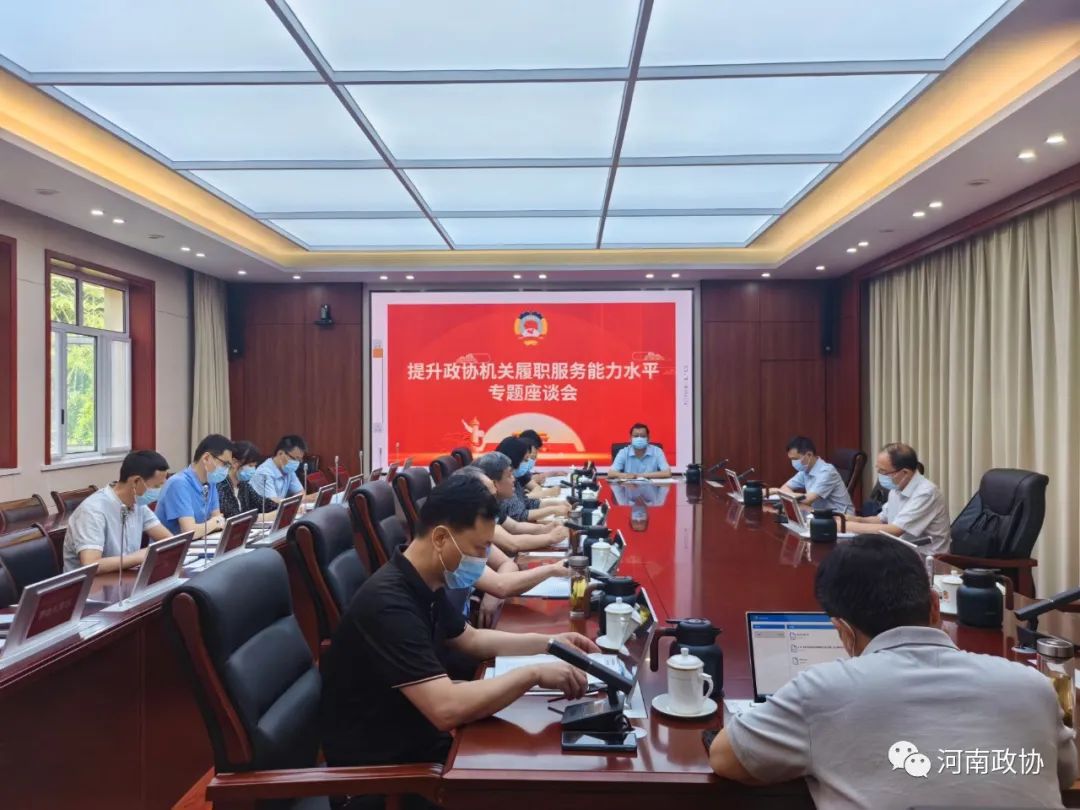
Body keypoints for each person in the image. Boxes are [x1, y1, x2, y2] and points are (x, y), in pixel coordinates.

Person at [709, 534, 1075, 810]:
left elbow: (726, 758)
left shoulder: (823, 690)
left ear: (842, 631)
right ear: (935, 607)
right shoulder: (1033, 686)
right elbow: (1066, 775)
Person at [319, 475, 598, 777]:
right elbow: (445, 709)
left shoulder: (424, 579)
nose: (483, 559)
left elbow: (471, 639)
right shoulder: (388, 603)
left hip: (417, 737)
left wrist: (551, 644)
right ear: (440, 538)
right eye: (479, 548)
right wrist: (533, 674)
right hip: (387, 774)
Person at [450, 465, 570, 628]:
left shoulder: (477, 525)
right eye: (489, 496)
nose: (495, 502)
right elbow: (511, 549)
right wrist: (552, 566)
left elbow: (507, 564)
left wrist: (492, 595)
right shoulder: (454, 542)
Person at [63, 450, 174, 572]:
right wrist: (139, 557)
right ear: (136, 481)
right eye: (156, 486)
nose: (159, 491)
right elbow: (91, 564)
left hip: (124, 577)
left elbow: (168, 540)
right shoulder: (93, 511)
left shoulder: (138, 503)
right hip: (92, 583)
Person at [842, 443, 951, 553]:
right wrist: (855, 519)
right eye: (878, 470)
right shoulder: (897, 488)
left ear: (905, 473)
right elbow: (882, 519)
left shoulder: (926, 493)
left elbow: (895, 530)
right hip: (900, 552)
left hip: (926, 559)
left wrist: (845, 526)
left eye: (883, 471)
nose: (880, 475)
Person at [471, 451, 569, 554]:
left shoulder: (493, 503)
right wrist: (550, 537)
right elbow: (512, 544)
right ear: (494, 483)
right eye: (509, 475)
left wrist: (547, 528)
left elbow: (515, 527)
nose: (513, 479)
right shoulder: (480, 509)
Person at [155, 434, 233, 538]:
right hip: (173, 547)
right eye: (225, 464)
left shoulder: (211, 482)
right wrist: (215, 522)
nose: (226, 470)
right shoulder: (179, 483)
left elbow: (219, 521)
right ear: (206, 458)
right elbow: (190, 531)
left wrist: (215, 522)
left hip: (199, 543)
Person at [770, 436, 854, 515]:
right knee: (787, 510)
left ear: (809, 455)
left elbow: (808, 499)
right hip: (821, 515)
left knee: (795, 508)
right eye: (791, 459)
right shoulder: (805, 470)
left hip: (842, 518)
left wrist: (778, 491)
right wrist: (790, 497)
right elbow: (786, 487)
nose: (793, 462)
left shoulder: (827, 472)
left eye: (795, 459)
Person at [494, 437, 569, 522]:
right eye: (525, 460)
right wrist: (552, 510)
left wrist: (556, 504)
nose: (528, 463)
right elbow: (519, 515)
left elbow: (526, 502)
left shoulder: (514, 476)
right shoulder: (501, 480)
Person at [249, 434, 314, 509]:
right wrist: (294, 505)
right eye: (294, 459)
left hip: (278, 512)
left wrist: (295, 503)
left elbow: (300, 493)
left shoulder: (288, 470)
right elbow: (273, 503)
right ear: (280, 453)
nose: (297, 463)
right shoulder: (264, 473)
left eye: (299, 460)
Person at [216, 440, 267, 520]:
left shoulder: (244, 484)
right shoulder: (221, 486)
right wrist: (259, 517)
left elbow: (263, 503)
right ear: (234, 462)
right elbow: (235, 518)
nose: (253, 470)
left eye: (254, 466)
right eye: (250, 466)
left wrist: (280, 504)